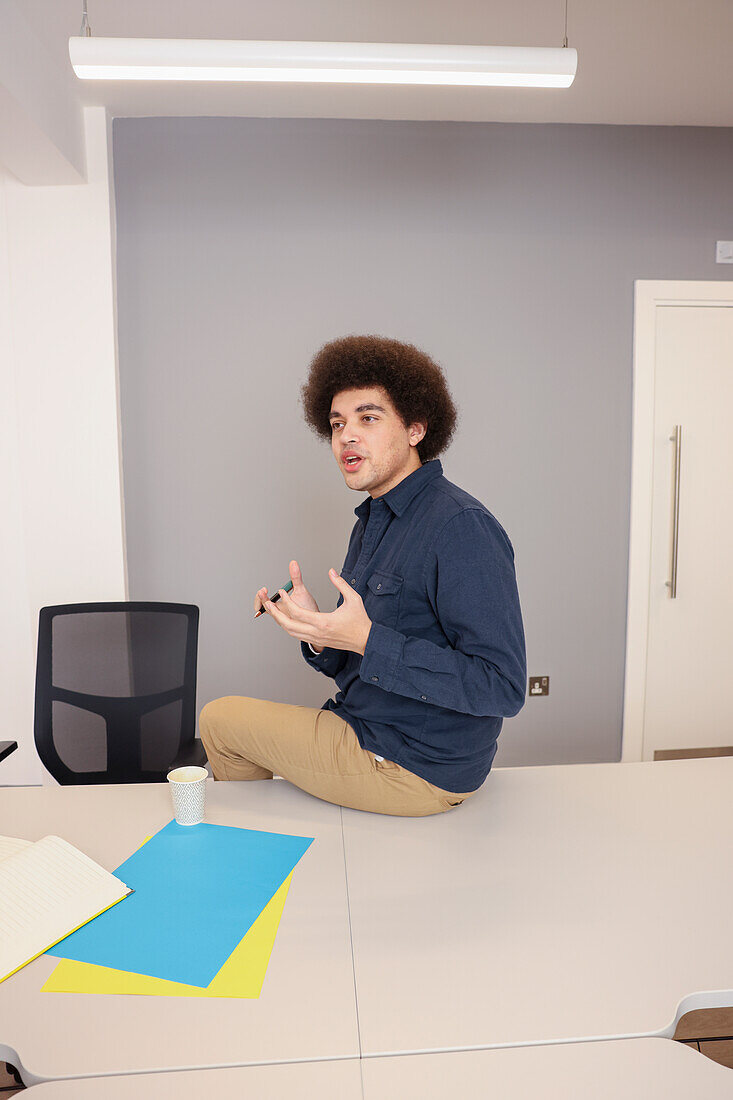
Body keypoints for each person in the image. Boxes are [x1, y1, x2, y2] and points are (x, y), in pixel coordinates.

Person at [199, 335, 526, 816]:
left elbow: (502, 686)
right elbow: (356, 656)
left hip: (415, 765)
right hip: (365, 726)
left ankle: (248, 851)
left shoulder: (461, 527)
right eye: (337, 424)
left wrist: (369, 639)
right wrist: (319, 632)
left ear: (416, 429)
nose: (346, 436)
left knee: (219, 721)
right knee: (227, 720)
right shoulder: (373, 520)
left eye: (368, 419)